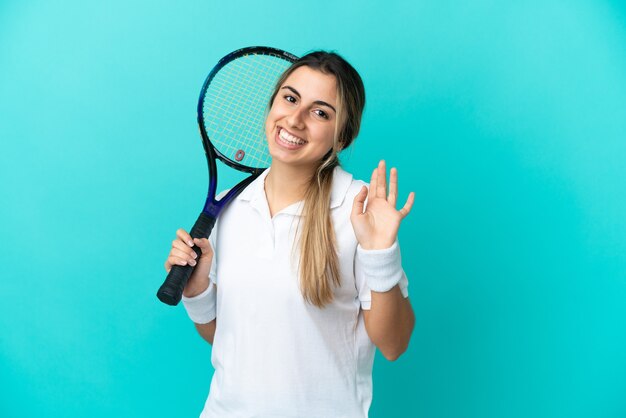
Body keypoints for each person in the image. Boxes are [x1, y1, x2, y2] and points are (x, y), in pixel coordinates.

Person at [164, 51, 415, 417]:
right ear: (272, 105)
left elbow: (394, 344)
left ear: (341, 138)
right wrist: (197, 291)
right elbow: (233, 344)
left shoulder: (358, 209)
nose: (294, 120)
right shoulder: (229, 208)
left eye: (320, 112)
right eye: (290, 98)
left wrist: (381, 254)